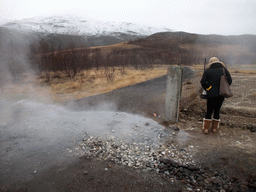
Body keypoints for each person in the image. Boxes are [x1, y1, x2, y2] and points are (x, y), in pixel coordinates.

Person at [200, 57, 232, 134]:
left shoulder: (207, 71)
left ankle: (206, 129)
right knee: (217, 111)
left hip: (211, 94)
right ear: (219, 62)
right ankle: (214, 128)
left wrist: (208, 88)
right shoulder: (223, 70)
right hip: (221, 94)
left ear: (210, 63)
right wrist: (224, 87)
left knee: (209, 111)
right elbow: (230, 81)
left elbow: (203, 82)